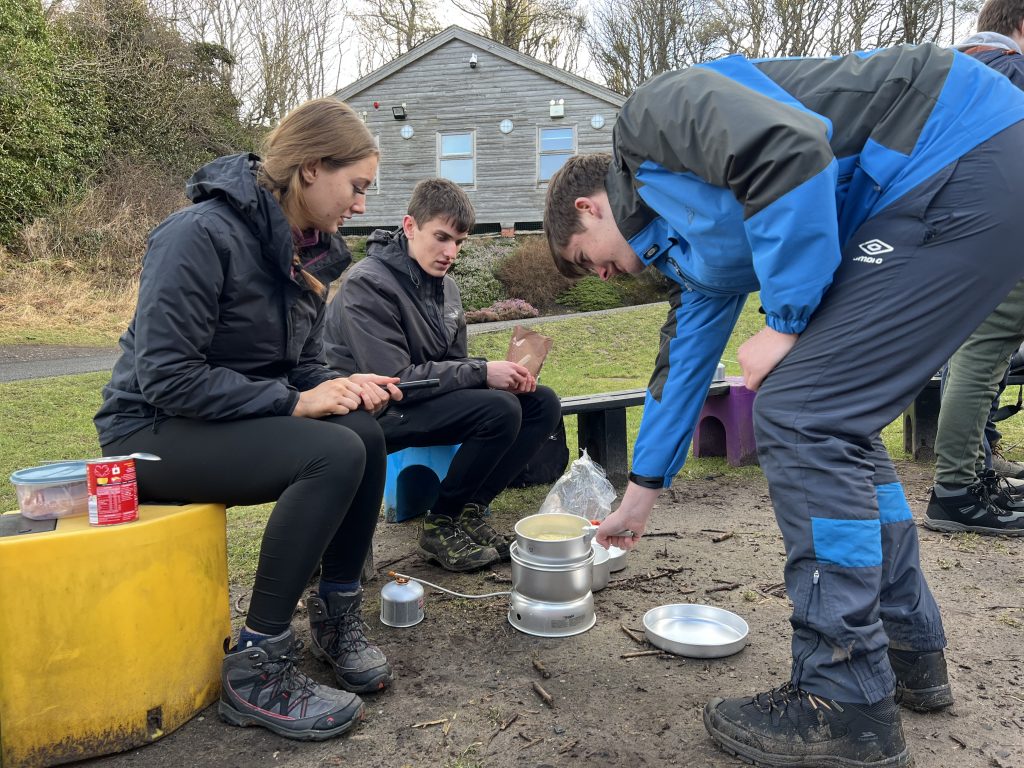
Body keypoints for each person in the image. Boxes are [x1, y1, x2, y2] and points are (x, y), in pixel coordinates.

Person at [544, 43, 1024, 767]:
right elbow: (682, 371)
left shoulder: (649, 123)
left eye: (587, 257)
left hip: (953, 147)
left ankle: (843, 698)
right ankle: (906, 650)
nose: (604, 275)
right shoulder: (688, 257)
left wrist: (787, 321)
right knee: (838, 423)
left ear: (588, 206)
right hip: (954, 180)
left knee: (803, 412)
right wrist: (640, 495)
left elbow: (788, 146)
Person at [94, 98, 400, 741]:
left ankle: (336, 612)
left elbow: (301, 363)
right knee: (333, 452)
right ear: (313, 168)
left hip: (215, 422)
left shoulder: (307, 252)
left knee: (364, 434)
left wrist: (338, 384)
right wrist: (294, 402)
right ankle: (257, 664)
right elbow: (168, 378)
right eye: (358, 186)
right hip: (145, 432)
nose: (362, 205)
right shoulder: (197, 235)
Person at [324, 178, 561, 572]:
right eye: (442, 237)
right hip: (366, 413)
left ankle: (470, 510)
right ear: (410, 225)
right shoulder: (367, 283)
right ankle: (440, 523)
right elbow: (394, 380)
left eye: (460, 243)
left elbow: (454, 364)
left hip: (419, 404)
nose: (451, 252)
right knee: (499, 409)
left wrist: (499, 373)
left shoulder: (447, 289)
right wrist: (483, 373)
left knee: (541, 404)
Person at [926, 0, 1024, 535]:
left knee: (981, 356)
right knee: (983, 357)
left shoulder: (952, 71)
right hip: (1003, 235)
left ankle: (968, 478)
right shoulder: (1010, 73)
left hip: (954, 236)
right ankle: (958, 489)